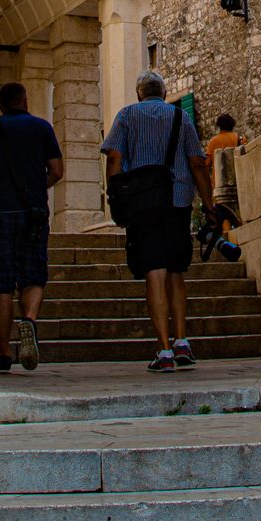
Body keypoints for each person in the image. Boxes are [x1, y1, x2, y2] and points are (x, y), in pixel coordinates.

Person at [101, 73, 214, 372]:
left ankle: (163, 350)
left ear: (139, 95)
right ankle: (182, 340)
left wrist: (115, 196)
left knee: (154, 270)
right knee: (176, 270)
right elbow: (197, 163)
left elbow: (114, 158)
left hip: (143, 205)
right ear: (164, 94)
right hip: (177, 202)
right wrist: (210, 205)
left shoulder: (126, 115)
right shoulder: (181, 117)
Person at [0, 82, 63, 373]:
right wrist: (36, 189)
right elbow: (57, 171)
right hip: (33, 213)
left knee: (1, 284)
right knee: (33, 277)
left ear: (1, 105)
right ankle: (28, 319)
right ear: (25, 101)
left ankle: (3, 354)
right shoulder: (42, 128)